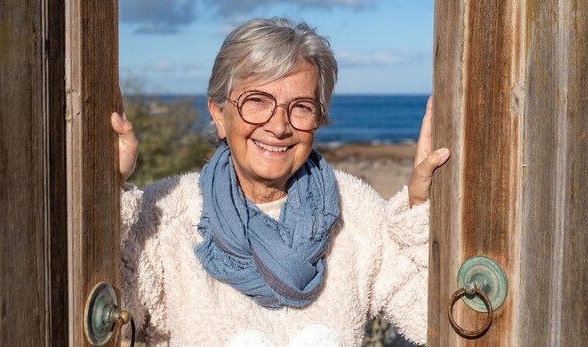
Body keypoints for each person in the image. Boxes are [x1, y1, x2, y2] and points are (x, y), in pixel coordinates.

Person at [111, 17, 450, 346]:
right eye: (256, 101)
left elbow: (437, 320)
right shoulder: (165, 215)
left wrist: (420, 209)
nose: (279, 126)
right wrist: (108, 187)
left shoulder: (355, 212)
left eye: (301, 107)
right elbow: (106, 318)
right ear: (218, 115)